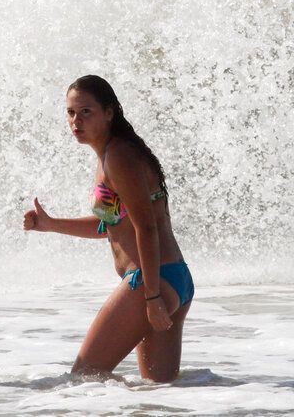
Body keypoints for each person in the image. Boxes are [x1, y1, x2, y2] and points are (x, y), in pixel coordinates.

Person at [23, 75, 194, 382]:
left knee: (83, 377)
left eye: (86, 112)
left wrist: (152, 298)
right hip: (173, 278)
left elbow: (147, 228)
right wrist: (50, 225)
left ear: (109, 112)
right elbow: (114, 225)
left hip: (150, 282)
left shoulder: (118, 156)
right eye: (71, 112)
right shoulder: (111, 154)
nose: (76, 121)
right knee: (159, 393)